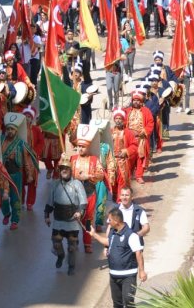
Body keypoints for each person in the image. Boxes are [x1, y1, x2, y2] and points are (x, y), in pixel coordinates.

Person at [87, 208, 148, 308]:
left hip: (128, 276)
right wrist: (94, 234)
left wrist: (142, 271)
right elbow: (108, 242)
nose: (108, 222)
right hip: (114, 275)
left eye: (109, 220)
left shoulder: (131, 235)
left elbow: (139, 253)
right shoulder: (112, 232)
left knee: (128, 302)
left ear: (116, 221)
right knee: (117, 304)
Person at [44, 157, 87, 276]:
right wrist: (47, 215)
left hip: (72, 219)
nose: (64, 170)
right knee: (56, 242)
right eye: (62, 168)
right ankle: (61, 255)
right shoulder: (55, 184)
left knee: (72, 246)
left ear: (70, 170)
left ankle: (71, 266)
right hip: (58, 218)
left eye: (66, 168)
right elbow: (50, 201)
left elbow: (83, 202)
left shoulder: (77, 184)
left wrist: (79, 212)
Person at [70, 125, 106, 254]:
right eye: (78, 146)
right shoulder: (72, 159)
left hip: (89, 193)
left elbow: (101, 174)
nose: (80, 149)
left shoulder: (94, 160)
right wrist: (62, 162)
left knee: (88, 219)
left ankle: (87, 242)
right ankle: (73, 241)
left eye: (83, 146)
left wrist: (89, 176)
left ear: (88, 147)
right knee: (74, 219)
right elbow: (64, 174)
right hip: (74, 195)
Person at [1, 116, 37, 230]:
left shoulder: (21, 144)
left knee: (15, 198)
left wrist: (30, 174)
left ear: (16, 130)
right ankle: (6, 213)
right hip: (3, 175)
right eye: (8, 129)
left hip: (16, 174)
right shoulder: (1, 141)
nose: (10, 131)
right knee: (3, 198)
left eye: (12, 129)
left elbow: (26, 160)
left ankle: (15, 220)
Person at [123, 90, 153, 182]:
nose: (136, 102)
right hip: (129, 139)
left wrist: (142, 132)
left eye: (138, 100)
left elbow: (150, 123)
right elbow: (122, 122)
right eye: (134, 100)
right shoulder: (127, 111)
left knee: (140, 157)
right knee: (129, 156)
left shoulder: (146, 111)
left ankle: (139, 176)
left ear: (141, 101)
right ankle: (130, 173)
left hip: (141, 138)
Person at [108, 109, 138, 198]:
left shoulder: (128, 132)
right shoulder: (110, 131)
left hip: (122, 162)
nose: (118, 120)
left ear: (123, 120)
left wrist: (126, 151)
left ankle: (121, 202)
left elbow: (134, 146)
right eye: (116, 118)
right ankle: (112, 200)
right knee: (111, 181)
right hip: (111, 161)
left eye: (120, 118)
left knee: (122, 182)